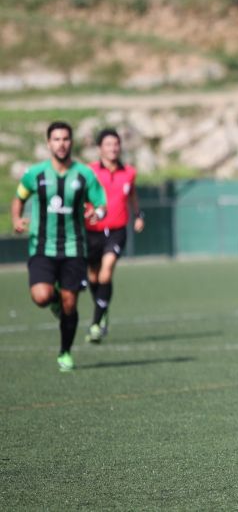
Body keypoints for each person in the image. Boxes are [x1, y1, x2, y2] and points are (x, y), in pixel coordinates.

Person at [10, 121, 107, 371]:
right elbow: (18, 198)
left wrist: (97, 212)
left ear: (71, 142)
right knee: (41, 296)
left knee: (70, 304)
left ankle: (65, 351)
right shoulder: (35, 174)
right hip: (42, 247)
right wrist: (16, 219)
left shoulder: (84, 175)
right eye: (56, 139)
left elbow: (100, 203)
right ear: (48, 143)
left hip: (74, 248)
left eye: (65, 139)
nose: (61, 144)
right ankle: (53, 302)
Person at [84, 128, 144, 343]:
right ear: (100, 148)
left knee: (106, 273)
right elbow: (80, 195)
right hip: (92, 231)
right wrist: (86, 211)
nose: (113, 148)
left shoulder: (129, 172)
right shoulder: (88, 171)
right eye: (108, 144)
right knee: (93, 276)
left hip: (117, 231)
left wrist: (138, 215)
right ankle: (102, 307)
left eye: (116, 144)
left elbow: (133, 195)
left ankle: (96, 324)